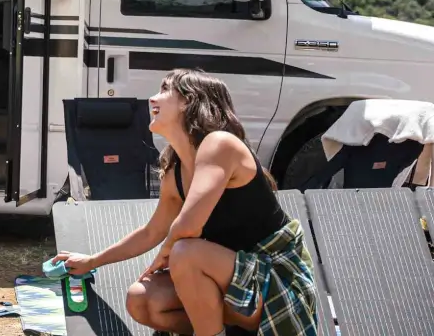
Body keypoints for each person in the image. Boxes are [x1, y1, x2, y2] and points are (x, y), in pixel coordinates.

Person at [53, 68, 319, 336]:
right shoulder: (175, 172)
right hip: (231, 287)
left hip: (276, 284)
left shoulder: (220, 145)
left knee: (185, 253)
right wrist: (92, 261)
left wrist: (165, 254)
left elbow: (188, 226)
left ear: (188, 101)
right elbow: (151, 232)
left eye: (164, 90)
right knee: (142, 299)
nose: (152, 99)